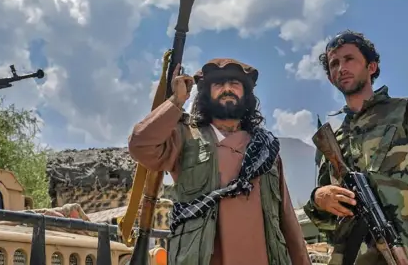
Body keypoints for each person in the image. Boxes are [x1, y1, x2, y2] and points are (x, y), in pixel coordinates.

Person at [303, 30, 408, 265]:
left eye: (349, 59)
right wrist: (318, 198)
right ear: (331, 78)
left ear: (371, 67)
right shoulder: (333, 140)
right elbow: (328, 220)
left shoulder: (406, 112)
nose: (341, 67)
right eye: (334, 63)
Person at [128, 58, 311, 265]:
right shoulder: (185, 137)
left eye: (234, 84)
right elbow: (140, 145)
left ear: (246, 94)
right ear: (206, 93)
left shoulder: (266, 148)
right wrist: (175, 102)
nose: (227, 89)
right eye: (218, 84)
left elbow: (287, 219)